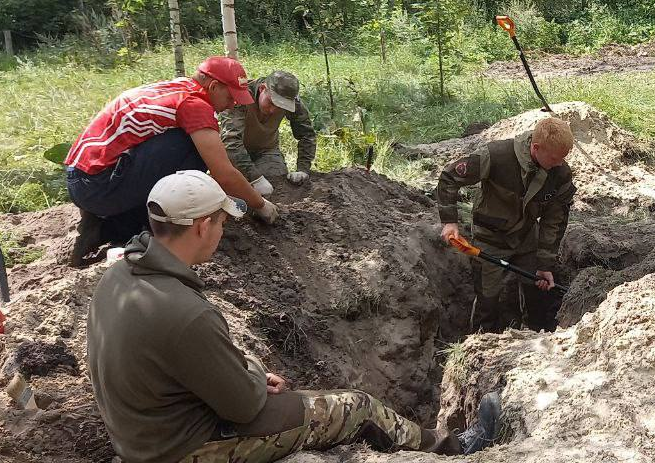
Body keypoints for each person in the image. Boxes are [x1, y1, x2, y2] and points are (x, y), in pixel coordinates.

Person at [86, 170, 500, 463]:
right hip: (185, 448)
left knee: (297, 396)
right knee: (357, 407)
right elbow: (245, 406)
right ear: (199, 226)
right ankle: (450, 449)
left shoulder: (118, 278)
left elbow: (169, 365)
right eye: (219, 222)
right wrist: (250, 377)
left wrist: (244, 371)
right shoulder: (185, 311)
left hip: (143, 434)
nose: (223, 231)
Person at [64, 56, 280, 267]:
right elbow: (223, 173)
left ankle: (110, 223)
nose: (232, 104)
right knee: (193, 148)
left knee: (188, 144)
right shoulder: (195, 105)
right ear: (214, 86)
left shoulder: (180, 88)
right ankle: (127, 228)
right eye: (230, 97)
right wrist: (260, 205)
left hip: (84, 177)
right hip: (97, 186)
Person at [437, 117, 576, 333]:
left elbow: (554, 222)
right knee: (488, 301)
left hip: (527, 237)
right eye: (555, 158)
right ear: (536, 148)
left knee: (537, 294)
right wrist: (449, 221)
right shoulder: (496, 156)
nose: (560, 163)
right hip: (489, 239)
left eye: (563, 158)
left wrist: (545, 264)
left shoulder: (560, 174)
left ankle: (534, 335)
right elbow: (450, 177)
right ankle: (481, 343)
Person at [220, 70, 316, 195]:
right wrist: (255, 178)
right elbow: (230, 141)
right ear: (262, 88)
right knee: (231, 189)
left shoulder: (293, 103)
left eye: (280, 107)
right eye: (271, 103)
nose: (273, 110)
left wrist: (303, 169)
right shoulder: (240, 97)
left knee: (276, 184)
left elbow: (306, 135)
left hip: (266, 151)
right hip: (232, 153)